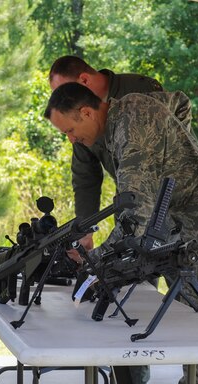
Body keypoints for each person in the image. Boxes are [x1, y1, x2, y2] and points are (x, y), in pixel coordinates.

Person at [44, 82, 198, 384]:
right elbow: (179, 100)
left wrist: (95, 263)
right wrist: (179, 148)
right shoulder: (128, 108)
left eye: (69, 131)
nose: (71, 139)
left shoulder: (131, 132)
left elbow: (135, 216)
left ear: (86, 112)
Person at [48, 56, 163, 251]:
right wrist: (85, 232)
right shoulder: (78, 121)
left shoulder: (141, 91)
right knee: (133, 275)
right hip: (129, 207)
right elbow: (86, 176)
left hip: (169, 206)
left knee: (182, 275)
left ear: (84, 81)